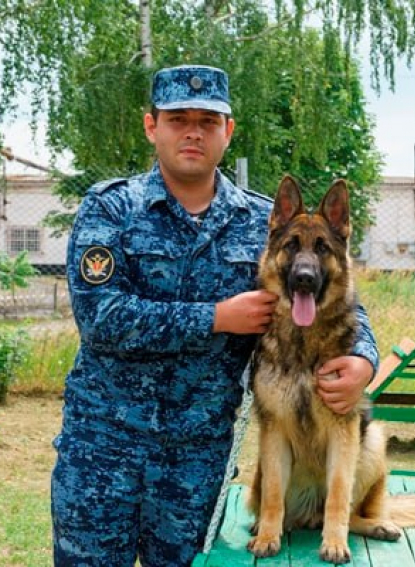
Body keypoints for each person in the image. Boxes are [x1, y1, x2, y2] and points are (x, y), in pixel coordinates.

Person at [51, 64, 379, 567]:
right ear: (150, 126)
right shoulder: (111, 209)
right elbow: (100, 316)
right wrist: (216, 317)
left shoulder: (266, 224)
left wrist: (362, 360)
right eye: (177, 118)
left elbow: (338, 297)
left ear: (227, 131)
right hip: (102, 449)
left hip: (195, 462)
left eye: (208, 121)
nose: (192, 131)